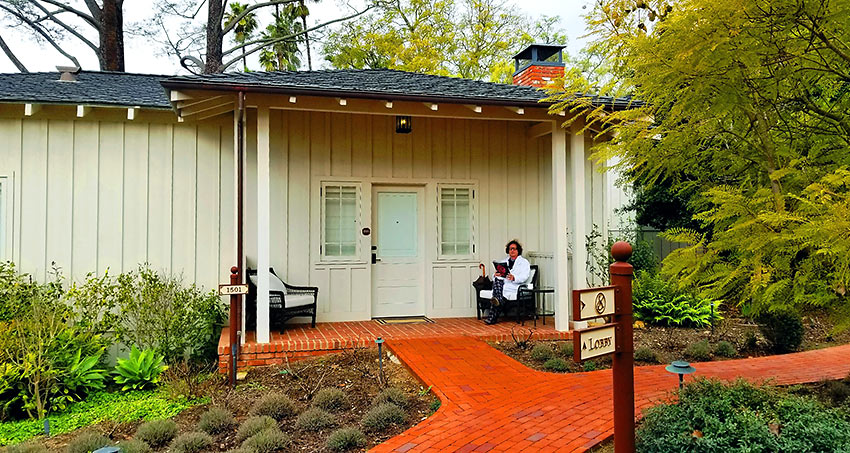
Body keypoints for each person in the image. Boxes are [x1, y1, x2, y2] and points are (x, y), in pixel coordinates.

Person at [485, 239, 531, 325]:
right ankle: (498, 301)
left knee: (497, 292)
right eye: (510, 249)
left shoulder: (524, 263)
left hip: (514, 286)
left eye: (514, 249)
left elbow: (525, 276)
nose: (512, 251)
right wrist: (496, 275)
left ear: (518, 250)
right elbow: (496, 276)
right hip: (503, 285)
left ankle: (493, 316)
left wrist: (514, 278)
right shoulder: (503, 261)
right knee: (498, 280)